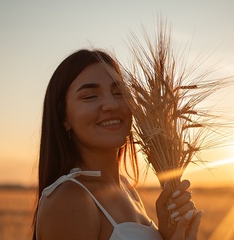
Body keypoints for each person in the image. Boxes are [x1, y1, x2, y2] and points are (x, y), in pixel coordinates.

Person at [32, 49, 202, 240]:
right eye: (90, 96)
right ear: (63, 117)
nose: (111, 104)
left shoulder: (125, 187)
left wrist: (168, 234)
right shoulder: (68, 200)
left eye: (119, 92)